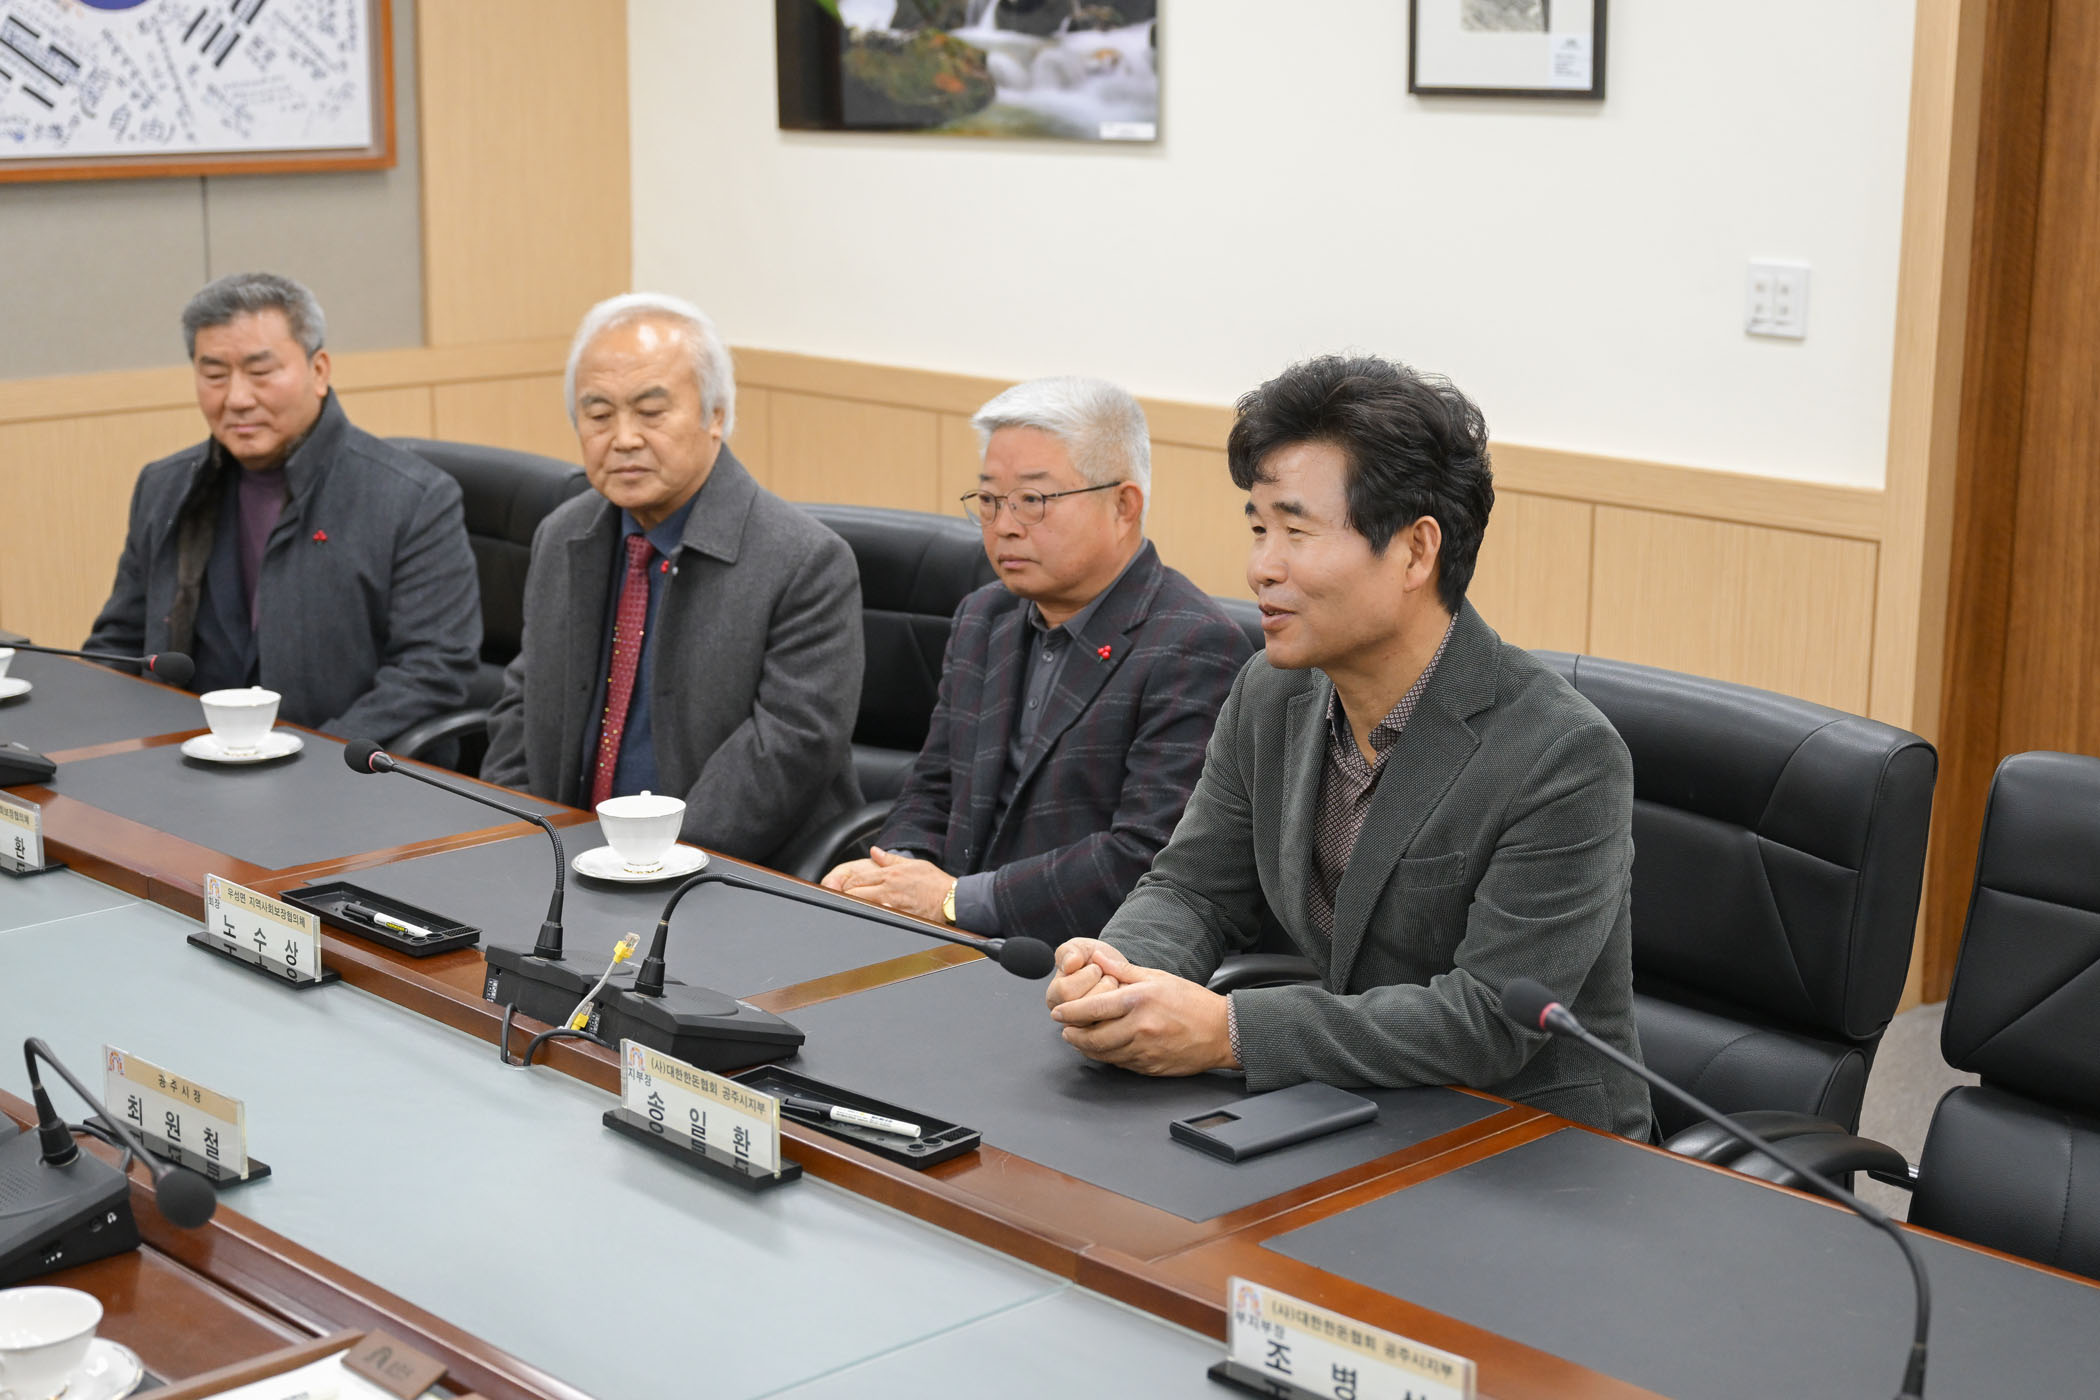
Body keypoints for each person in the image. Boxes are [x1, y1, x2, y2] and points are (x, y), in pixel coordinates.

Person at [1043, 355, 1652, 1140]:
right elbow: (1193, 890)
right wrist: (1120, 975)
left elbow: (1488, 1020)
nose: (1261, 568)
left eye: (1296, 532)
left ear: (1415, 552)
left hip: (1531, 1144)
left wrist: (1230, 1032)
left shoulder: (1563, 754)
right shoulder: (1271, 693)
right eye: (1259, 529)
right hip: (1354, 1107)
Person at [821, 377, 1247, 944]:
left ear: (1123, 505)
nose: (1004, 525)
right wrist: (895, 871)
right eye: (990, 501)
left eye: (1032, 500)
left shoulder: (1193, 645)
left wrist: (953, 899)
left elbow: (1147, 858)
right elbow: (935, 785)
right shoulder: (984, 616)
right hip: (944, 937)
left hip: (1077, 961)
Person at [481, 293, 862, 866]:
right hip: (567, 859)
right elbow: (522, 706)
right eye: (599, 415)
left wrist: (649, 863)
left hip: (728, 874)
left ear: (715, 416)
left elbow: (787, 752)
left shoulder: (806, 561)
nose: (624, 438)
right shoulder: (564, 535)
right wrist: (521, 832)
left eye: (651, 412)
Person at [85, 272, 479, 745]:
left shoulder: (412, 498)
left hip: (338, 768)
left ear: (319, 371)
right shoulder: (165, 487)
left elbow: (432, 671)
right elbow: (118, 646)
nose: (237, 398)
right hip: (185, 759)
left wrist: (313, 758)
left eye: (261, 372)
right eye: (214, 375)